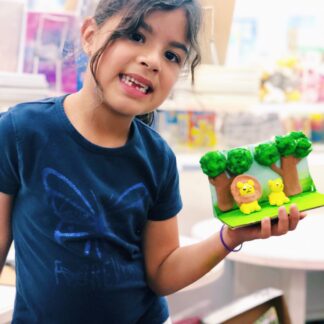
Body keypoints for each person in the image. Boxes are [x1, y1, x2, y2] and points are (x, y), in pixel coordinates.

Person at [0, 0, 306, 323]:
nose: (153, 60)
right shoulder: (21, 133)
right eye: (135, 35)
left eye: (172, 55)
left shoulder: (158, 158)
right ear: (89, 35)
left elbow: (162, 270)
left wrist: (230, 237)